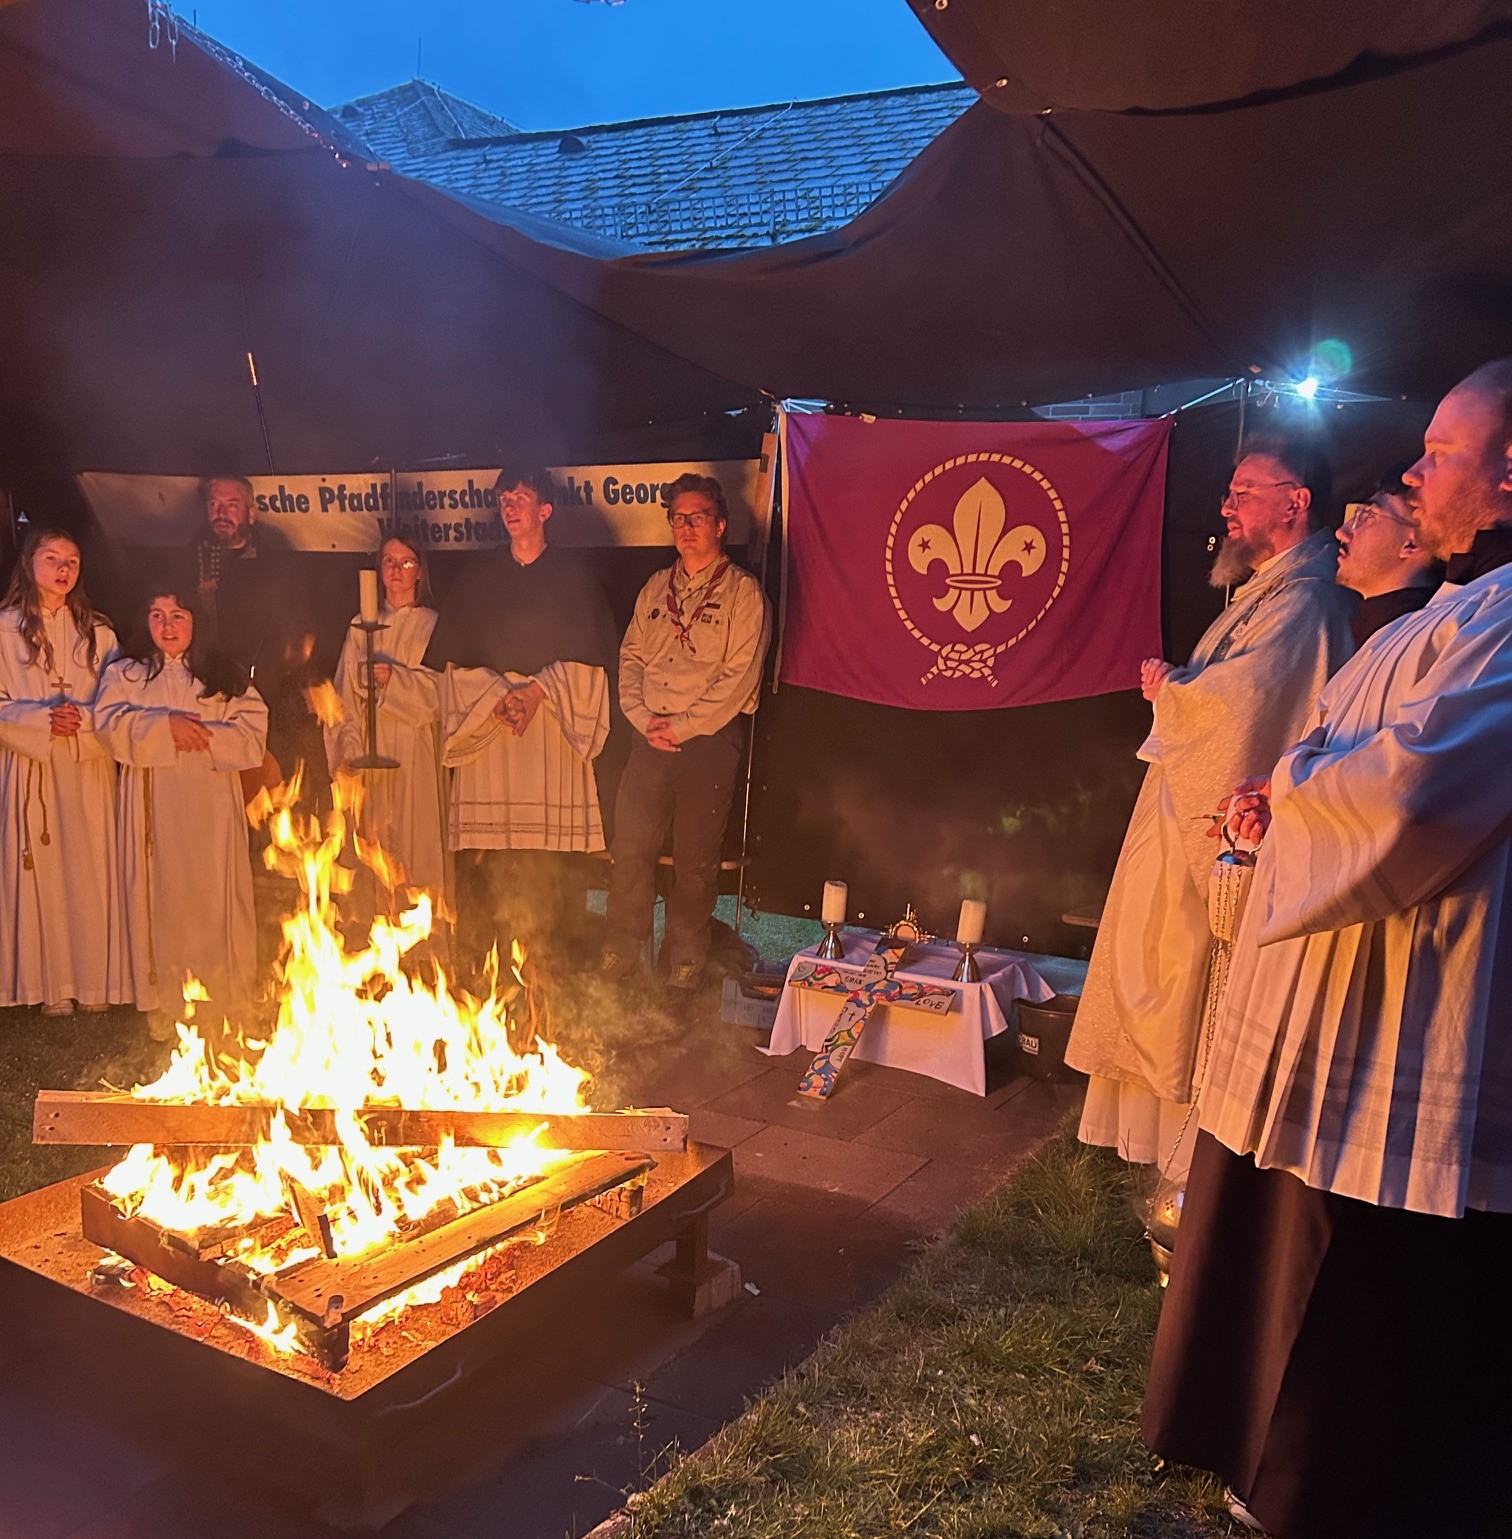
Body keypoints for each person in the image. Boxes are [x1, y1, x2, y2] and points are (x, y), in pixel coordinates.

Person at [1143, 361, 1512, 1539]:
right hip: (1335, 987)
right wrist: (1281, 792)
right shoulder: (1454, 609)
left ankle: (1328, 1488)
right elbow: (1334, 746)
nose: (1409, 472)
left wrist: (1287, 795)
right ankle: (1252, 1448)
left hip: (1413, 1001)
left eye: (1441, 452)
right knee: (1275, 1233)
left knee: (1360, 1286)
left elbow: (1404, 801)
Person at [1064, 433, 1357, 1177]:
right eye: (1229, 493)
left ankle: (1191, 1160)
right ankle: (1168, 1155)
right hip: (1188, 806)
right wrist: (1182, 693)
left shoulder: (1306, 599)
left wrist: (1176, 693)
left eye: (1244, 493)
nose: (1227, 508)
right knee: (1158, 958)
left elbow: (1249, 705)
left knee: (1186, 965)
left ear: (1297, 502)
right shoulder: (1270, 591)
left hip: (1226, 827)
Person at [422, 465, 618, 962]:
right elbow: (449, 667)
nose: (509, 508)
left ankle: (554, 972)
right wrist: (497, 694)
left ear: (545, 510)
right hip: (491, 735)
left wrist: (539, 691)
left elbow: (597, 670)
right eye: (503, 499)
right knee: (491, 865)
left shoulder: (576, 580)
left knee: (548, 868)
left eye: (521, 498)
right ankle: (480, 972)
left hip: (553, 732)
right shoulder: (477, 577)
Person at [601, 473, 771, 990]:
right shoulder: (655, 587)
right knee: (631, 850)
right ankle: (621, 954)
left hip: (707, 744)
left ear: (720, 525)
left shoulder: (744, 595)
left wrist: (682, 724)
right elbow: (629, 658)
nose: (686, 527)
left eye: (697, 518)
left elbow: (738, 676)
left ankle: (684, 961)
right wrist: (640, 716)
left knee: (696, 861)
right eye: (678, 518)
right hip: (648, 739)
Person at [96, 587, 268, 1035]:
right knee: (162, 893)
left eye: (177, 615)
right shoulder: (126, 675)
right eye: (157, 616)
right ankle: (166, 1000)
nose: (168, 627)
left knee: (214, 893)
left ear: (196, 621)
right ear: (145, 623)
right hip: (154, 803)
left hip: (210, 801)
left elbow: (252, 733)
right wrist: (163, 728)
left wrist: (206, 737)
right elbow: (108, 724)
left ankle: (223, 993)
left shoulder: (223, 676)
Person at [0, 527, 123, 1015]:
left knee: (89, 867)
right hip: (33, 766)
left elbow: (119, 702)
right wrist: (38, 720)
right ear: (31, 563)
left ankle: (93, 984)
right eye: (52, 558)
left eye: (72, 560)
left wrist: (86, 720)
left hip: (84, 767)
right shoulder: (5, 630)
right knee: (43, 872)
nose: (63, 568)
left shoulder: (99, 633)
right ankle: (51, 987)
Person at [327, 537, 449, 910]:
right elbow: (344, 698)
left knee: (417, 848)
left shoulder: (432, 624)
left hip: (415, 749)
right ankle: (378, 947)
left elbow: (443, 693)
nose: (396, 571)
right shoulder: (360, 626)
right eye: (389, 562)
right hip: (371, 748)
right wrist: (348, 752)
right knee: (375, 846)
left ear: (420, 571)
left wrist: (394, 680)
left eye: (406, 563)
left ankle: (425, 952)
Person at [186, 475, 321, 790]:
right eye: (214, 504)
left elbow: (300, 629)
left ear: (250, 512)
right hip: (205, 698)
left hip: (269, 698)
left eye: (231, 505)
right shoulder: (189, 559)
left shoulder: (277, 562)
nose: (221, 513)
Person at [1335, 471, 1442, 643]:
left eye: (1368, 516)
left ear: (1412, 545)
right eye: (1356, 514)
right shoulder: (1374, 630)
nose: (1342, 533)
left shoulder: (1417, 640)